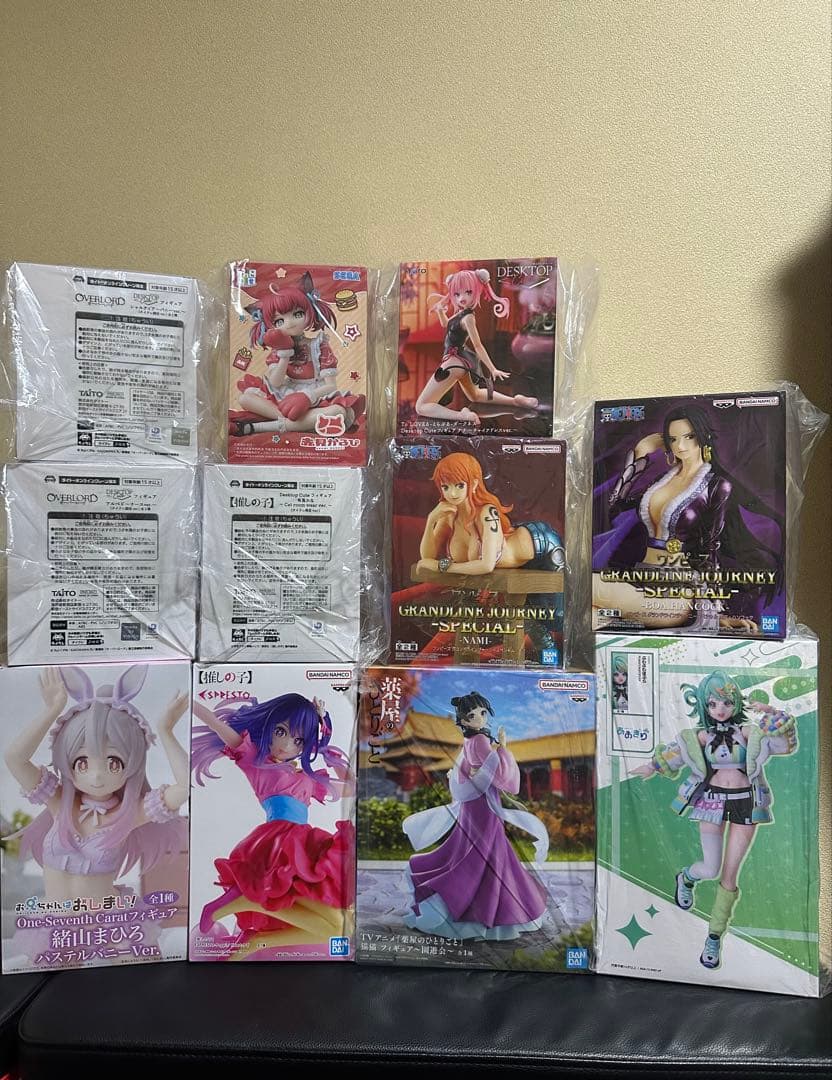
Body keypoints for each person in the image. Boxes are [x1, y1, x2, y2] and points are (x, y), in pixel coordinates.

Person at [631, 669, 797, 970]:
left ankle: (714, 936)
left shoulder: (748, 732)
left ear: (735, 703)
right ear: (704, 705)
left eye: (726, 702)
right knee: (709, 868)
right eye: (712, 704)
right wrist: (651, 767)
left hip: (746, 803)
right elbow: (675, 755)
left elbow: (784, 745)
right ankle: (686, 877)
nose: (720, 709)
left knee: (729, 877)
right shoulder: (701, 736)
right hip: (711, 801)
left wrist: (772, 713)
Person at [4, 666, 189, 904]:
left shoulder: (129, 814)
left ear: (132, 764)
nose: (97, 776)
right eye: (82, 762)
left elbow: (184, 786)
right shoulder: (59, 802)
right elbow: (15, 759)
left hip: (108, 923)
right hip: (58, 923)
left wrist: (166, 731)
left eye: (114, 763)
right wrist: (52, 711)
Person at [593, 404, 783, 632]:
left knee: (589, 588)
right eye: (673, 439)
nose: (680, 446)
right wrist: (640, 453)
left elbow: (711, 548)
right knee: (591, 616)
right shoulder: (662, 481)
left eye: (689, 437)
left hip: (676, 594)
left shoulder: (716, 486)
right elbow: (615, 506)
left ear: (703, 436)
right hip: (641, 578)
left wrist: (715, 612)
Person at [191, 693, 354, 959]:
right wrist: (188, 699)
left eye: (299, 740)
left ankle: (257, 939)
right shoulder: (256, 762)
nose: (287, 744)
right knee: (337, 923)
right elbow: (217, 725)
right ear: (269, 728)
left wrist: (331, 757)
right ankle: (236, 906)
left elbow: (353, 789)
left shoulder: (308, 779)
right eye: (281, 732)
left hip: (303, 847)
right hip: (278, 841)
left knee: (338, 927)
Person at [402, 691, 549, 940]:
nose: (480, 718)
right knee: (487, 852)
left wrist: (488, 760)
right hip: (483, 804)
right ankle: (487, 909)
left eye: (482, 713)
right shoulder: (479, 740)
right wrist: (504, 750)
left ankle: (483, 906)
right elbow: (500, 775)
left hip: (474, 803)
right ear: (463, 721)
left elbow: (471, 769)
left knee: (479, 850)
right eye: (473, 715)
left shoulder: (470, 740)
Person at [231, 271, 363, 438]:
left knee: (338, 411)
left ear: (310, 312)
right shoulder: (278, 348)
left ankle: (260, 427)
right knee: (246, 398)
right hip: (287, 391)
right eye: (279, 321)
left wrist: (307, 396)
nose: (290, 323)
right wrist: (284, 354)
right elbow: (275, 383)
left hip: (315, 392)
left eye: (298, 314)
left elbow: (331, 386)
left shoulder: (318, 345)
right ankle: (303, 423)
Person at [415, 268, 538, 427]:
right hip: (463, 360)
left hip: (453, 363)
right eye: (457, 294)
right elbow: (447, 325)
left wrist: (492, 369)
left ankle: (462, 416)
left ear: (477, 290)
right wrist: (440, 311)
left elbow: (478, 345)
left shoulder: (468, 318)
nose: (462, 298)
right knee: (475, 395)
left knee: (421, 406)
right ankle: (516, 401)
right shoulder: (460, 314)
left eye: (468, 292)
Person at [416, 451, 565, 577]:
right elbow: (427, 558)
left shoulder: (486, 512)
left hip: (543, 543)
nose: (453, 493)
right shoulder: (448, 516)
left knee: (550, 600)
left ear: (474, 484)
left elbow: (487, 565)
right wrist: (431, 520)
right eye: (445, 487)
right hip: (513, 561)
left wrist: (441, 567)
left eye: (460, 485)